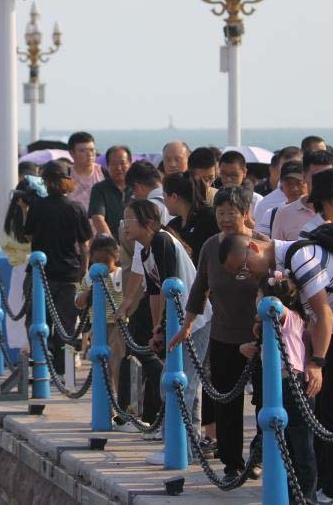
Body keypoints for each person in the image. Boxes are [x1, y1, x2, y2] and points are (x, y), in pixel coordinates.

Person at [244, 233, 333, 505]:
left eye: (244, 267)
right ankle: (318, 489)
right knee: (317, 423)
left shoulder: (299, 257)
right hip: (324, 338)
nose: (247, 275)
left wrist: (317, 362)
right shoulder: (283, 265)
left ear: (254, 247)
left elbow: (323, 313)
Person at [121, 199, 210, 466]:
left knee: (180, 384)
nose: (125, 226)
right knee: (176, 383)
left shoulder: (161, 241)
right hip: (177, 323)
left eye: (129, 219)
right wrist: (157, 327)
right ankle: (185, 446)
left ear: (148, 222)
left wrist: (173, 324)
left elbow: (172, 283)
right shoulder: (145, 250)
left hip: (194, 321)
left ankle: (180, 448)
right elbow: (155, 292)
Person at [177, 230, 257, 478]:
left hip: (257, 336)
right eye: (221, 213)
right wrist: (187, 324)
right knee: (226, 402)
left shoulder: (260, 246)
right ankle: (232, 463)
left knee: (266, 402)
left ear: (245, 214)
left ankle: (260, 456)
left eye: (231, 213)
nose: (226, 218)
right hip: (223, 334)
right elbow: (200, 286)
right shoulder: (211, 246)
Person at [239, 270, 318, 504]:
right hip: (277, 386)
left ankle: (306, 497)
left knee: (302, 446)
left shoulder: (288, 317)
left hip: (294, 385)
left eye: (258, 296)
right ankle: (290, 494)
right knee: (287, 446)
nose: (256, 301)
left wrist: (273, 294)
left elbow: (275, 306)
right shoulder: (269, 325)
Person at [23, 161, 93, 373]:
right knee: (67, 325)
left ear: (45, 182)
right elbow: (84, 245)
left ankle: (42, 364)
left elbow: (28, 235)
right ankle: (64, 370)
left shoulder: (37, 206)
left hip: (40, 274)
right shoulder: (76, 208)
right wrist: (84, 270)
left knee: (37, 321)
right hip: (69, 274)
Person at [74, 236, 126, 395]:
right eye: (97, 262)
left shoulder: (121, 275)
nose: (101, 267)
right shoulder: (90, 277)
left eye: (106, 262)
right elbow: (78, 302)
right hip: (98, 326)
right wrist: (88, 294)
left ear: (116, 257)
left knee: (117, 363)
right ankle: (106, 402)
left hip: (117, 326)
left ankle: (121, 400)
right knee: (101, 364)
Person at [162, 172, 218, 264]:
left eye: (164, 196)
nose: (164, 201)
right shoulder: (173, 226)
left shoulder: (210, 218)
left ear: (174, 197)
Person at [88, 145, 132, 237]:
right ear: (108, 166)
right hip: (110, 241)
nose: (118, 168)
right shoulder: (99, 189)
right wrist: (111, 242)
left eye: (122, 163)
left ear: (130, 163)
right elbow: (98, 218)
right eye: (114, 164)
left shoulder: (138, 187)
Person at [254, 147, 303, 225]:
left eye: (296, 166)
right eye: (285, 167)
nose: (291, 170)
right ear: (277, 169)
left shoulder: (317, 201)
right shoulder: (266, 204)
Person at [65, 131, 103, 212]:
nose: (89, 154)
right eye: (82, 150)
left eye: (92, 150)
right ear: (72, 153)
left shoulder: (103, 173)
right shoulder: (66, 175)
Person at [125, 160, 172, 224]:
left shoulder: (144, 210)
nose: (134, 197)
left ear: (138, 187)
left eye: (133, 192)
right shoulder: (176, 199)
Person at [216, 150, 263, 214]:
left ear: (244, 172)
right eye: (224, 174)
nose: (228, 179)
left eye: (234, 175)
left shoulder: (256, 201)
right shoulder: (213, 196)